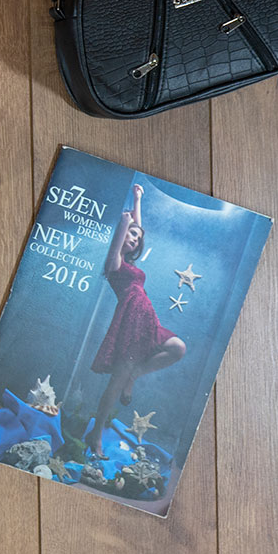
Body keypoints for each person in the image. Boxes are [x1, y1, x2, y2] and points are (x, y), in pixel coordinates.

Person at [83, 183, 186, 457]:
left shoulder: (132, 264)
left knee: (178, 348)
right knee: (115, 384)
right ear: (122, 235)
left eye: (138, 239)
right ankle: (96, 434)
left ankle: (134, 375)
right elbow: (125, 231)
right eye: (130, 235)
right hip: (129, 326)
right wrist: (125, 222)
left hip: (148, 323)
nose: (135, 239)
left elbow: (137, 228)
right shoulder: (114, 264)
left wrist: (138, 199)